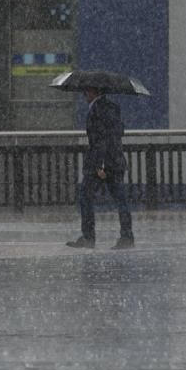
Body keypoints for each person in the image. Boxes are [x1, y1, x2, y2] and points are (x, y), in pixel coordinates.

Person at [66, 87, 134, 250]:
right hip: (115, 160)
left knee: (85, 197)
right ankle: (127, 236)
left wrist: (100, 165)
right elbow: (118, 132)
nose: (84, 95)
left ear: (93, 92)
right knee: (120, 199)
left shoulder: (97, 110)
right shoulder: (112, 107)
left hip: (101, 163)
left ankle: (89, 236)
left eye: (86, 91)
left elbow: (101, 139)